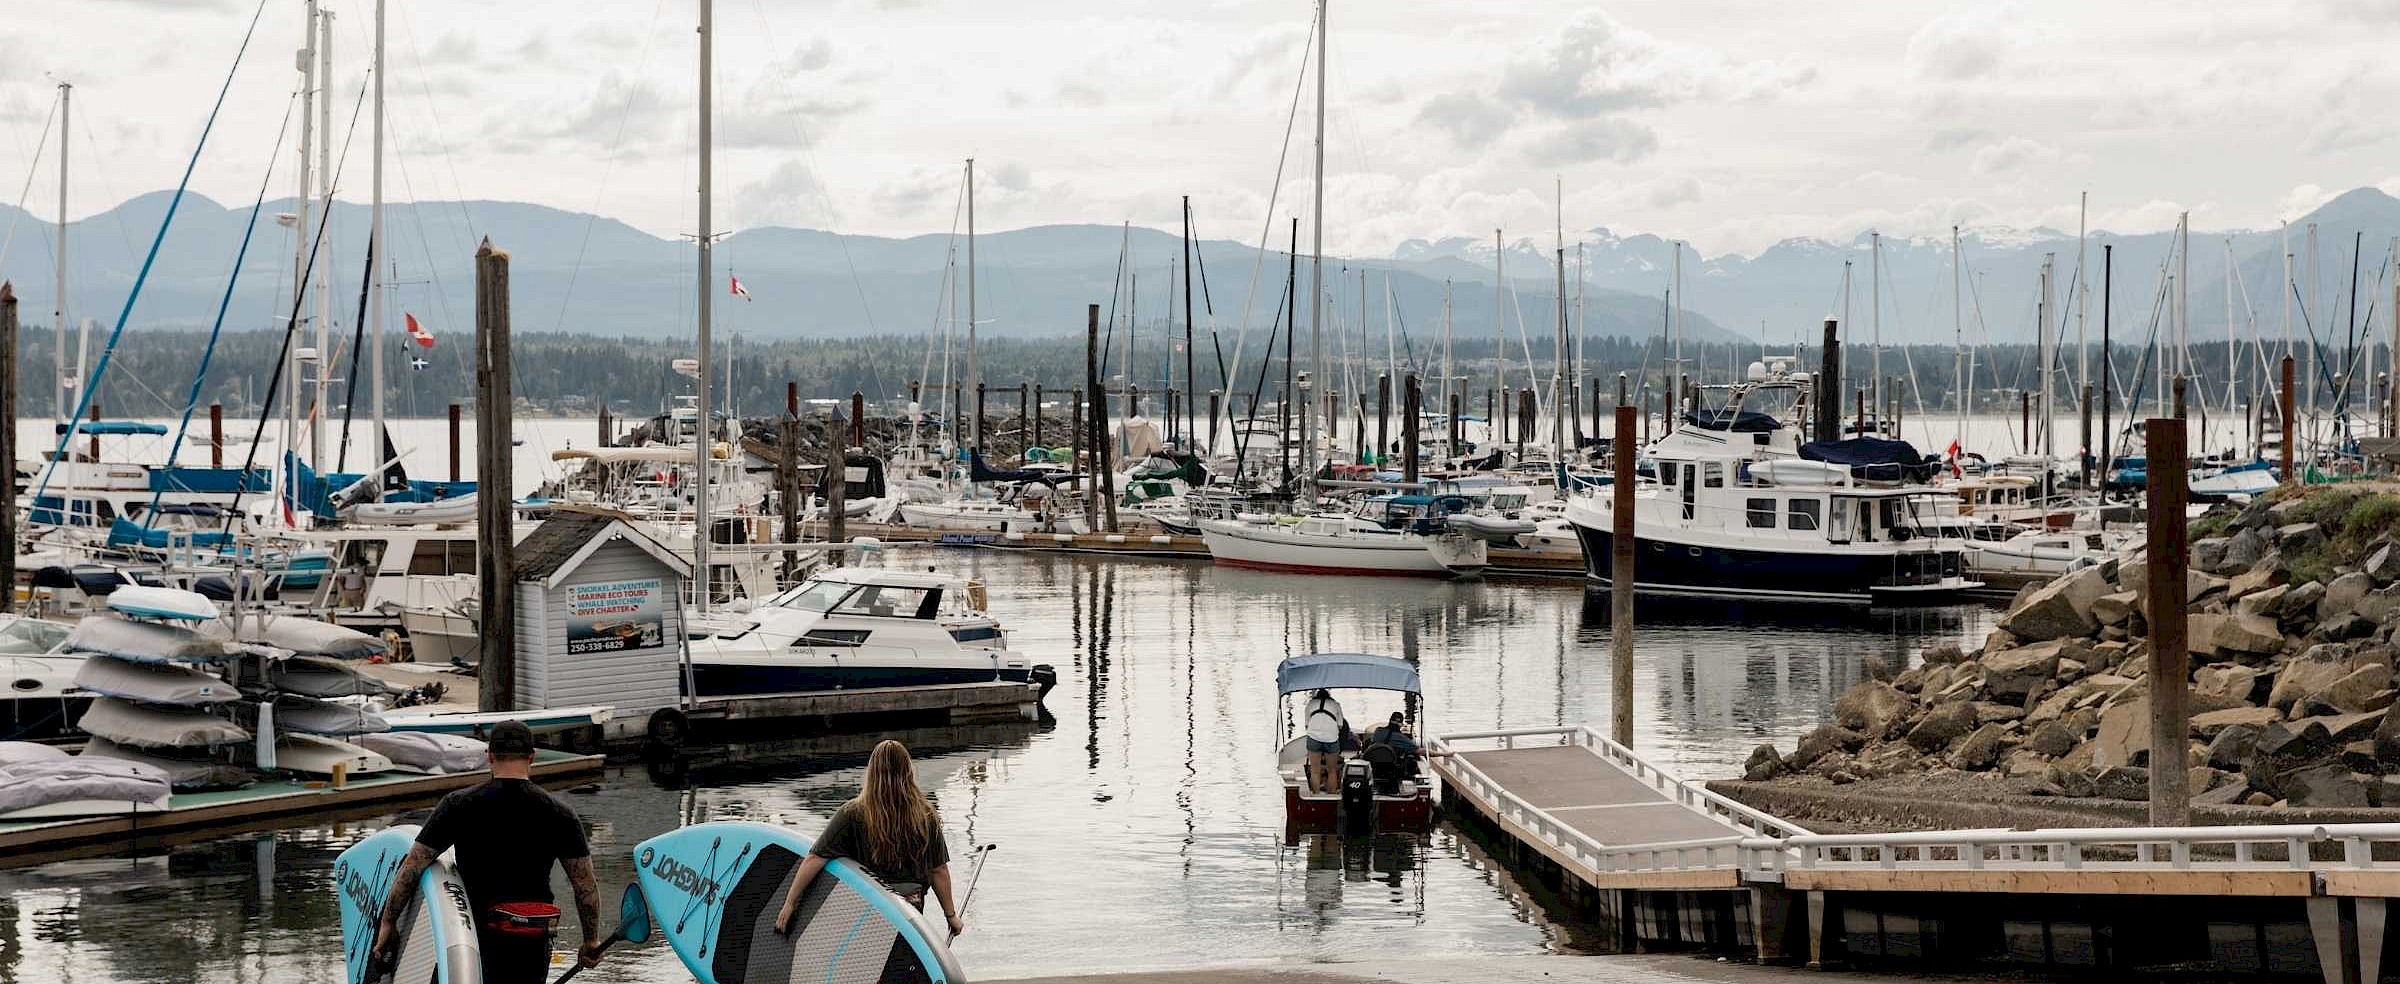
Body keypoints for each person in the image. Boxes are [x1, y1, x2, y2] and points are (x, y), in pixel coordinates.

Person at [373, 720, 602, 984]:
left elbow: (412, 867)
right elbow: (585, 887)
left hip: (471, 936)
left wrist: (389, 923)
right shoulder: (561, 813)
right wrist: (590, 940)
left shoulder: (458, 805)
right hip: (531, 940)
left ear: (490, 756)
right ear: (532, 757)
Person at [774, 740, 964, 940]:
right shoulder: (925, 815)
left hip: (868, 906)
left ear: (871, 772)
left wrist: (790, 902)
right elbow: (938, 870)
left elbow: (815, 859)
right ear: (909, 771)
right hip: (910, 910)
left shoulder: (852, 813)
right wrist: (950, 916)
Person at [1303, 688, 1347, 794]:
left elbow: (1307, 724)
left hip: (1314, 738)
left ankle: (1316, 795)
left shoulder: (1310, 704)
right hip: (1331, 739)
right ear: (1329, 696)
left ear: (1316, 696)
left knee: (1315, 771)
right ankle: (1331, 796)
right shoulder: (1336, 704)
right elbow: (1340, 725)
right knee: (1332, 771)